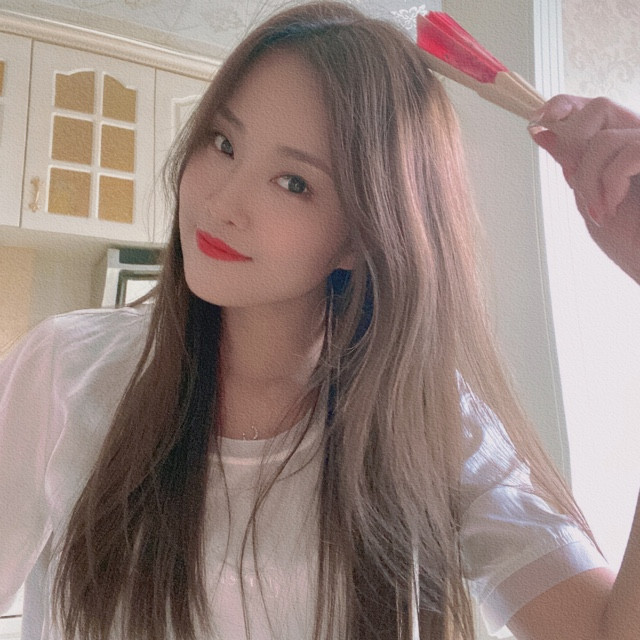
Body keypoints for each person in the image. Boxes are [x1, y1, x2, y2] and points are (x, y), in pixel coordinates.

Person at [0, 2, 638, 639]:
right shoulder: (65, 370)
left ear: (362, 235)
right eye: (223, 143)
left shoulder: (427, 418)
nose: (222, 203)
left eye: (293, 182)